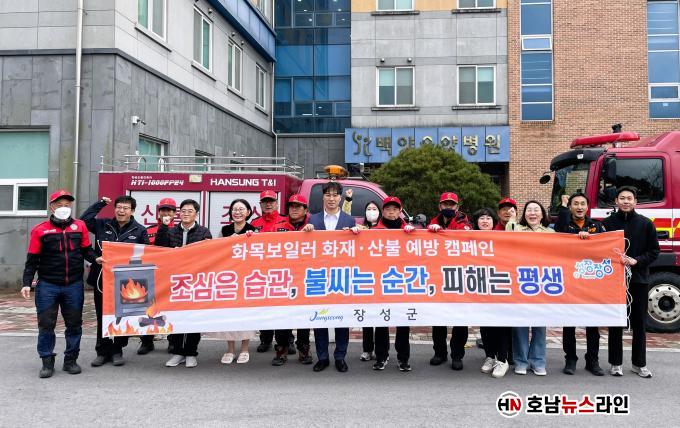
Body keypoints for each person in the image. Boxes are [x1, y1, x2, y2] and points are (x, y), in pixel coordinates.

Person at [21, 190, 97, 378]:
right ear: (52, 207)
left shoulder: (80, 226)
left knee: (74, 324)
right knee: (46, 324)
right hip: (48, 285)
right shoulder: (40, 230)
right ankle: (47, 361)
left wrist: (97, 259)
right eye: (59, 204)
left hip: (73, 285)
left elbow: (87, 250)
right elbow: (32, 259)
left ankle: (71, 360)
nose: (64, 207)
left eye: (67, 204)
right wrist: (26, 283)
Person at [81, 195, 150, 367]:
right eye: (119, 207)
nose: (121, 211)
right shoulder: (103, 224)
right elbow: (84, 221)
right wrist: (100, 204)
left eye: (125, 208)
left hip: (126, 282)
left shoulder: (140, 230)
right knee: (102, 315)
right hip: (102, 278)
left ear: (132, 211)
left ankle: (117, 350)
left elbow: (146, 254)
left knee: (123, 315)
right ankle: (102, 351)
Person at [602, 186, 659, 378]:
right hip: (613, 281)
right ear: (616, 201)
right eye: (622, 198)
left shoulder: (646, 224)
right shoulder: (607, 224)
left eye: (629, 198)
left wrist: (637, 261)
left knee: (639, 323)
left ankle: (639, 364)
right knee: (615, 322)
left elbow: (654, 251)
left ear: (635, 202)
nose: (626, 201)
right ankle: (615, 363)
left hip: (639, 279)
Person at [304, 181, 357, 373]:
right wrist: (306, 232)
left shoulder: (349, 221)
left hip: (341, 276)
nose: (332, 198)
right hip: (319, 276)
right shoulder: (313, 219)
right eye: (328, 195)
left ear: (340, 198)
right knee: (320, 318)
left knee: (342, 319)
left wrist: (356, 234)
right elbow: (304, 246)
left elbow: (356, 248)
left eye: (335, 195)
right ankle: (322, 357)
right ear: (323, 197)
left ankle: (340, 356)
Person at [155, 199, 212, 368]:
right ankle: (178, 352)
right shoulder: (171, 231)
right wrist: (164, 227)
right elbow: (159, 249)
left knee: (193, 318)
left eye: (190, 211)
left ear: (196, 214)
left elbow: (208, 255)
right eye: (183, 211)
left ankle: (191, 353)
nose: (186, 214)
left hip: (195, 281)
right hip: (175, 281)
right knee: (176, 317)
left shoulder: (203, 232)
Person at [555, 192, 606, 376]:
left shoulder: (597, 226)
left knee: (593, 324)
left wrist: (590, 239)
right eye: (575, 204)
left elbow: (604, 248)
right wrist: (562, 207)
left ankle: (593, 360)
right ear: (570, 207)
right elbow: (559, 232)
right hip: (569, 280)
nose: (579, 207)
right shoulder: (564, 225)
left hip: (591, 281)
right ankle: (570, 359)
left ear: (587, 206)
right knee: (569, 323)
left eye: (582, 204)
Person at [506, 200, 554, 376]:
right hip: (521, 280)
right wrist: (512, 219)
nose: (532, 213)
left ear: (542, 214)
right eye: (529, 210)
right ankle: (521, 361)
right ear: (524, 214)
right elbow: (507, 239)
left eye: (536, 210)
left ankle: (538, 361)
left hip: (542, 282)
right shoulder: (517, 228)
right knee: (520, 324)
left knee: (540, 324)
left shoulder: (551, 233)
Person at [427, 192, 472, 370]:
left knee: (460, 319)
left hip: (459, 276)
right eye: (445, 204)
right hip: (438, 276)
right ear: (440, 206)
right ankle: (439, 352)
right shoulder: (432, 222)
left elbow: (463, 238)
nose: (448, 207)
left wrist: (442, 233)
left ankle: (457, 355)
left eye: (451, 204)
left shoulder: (464, 224)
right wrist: (430, 231)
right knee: (438, 318)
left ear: (457, 207)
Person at [269, 194, 315, 366]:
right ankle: (281, 350)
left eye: (298, 206)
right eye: (291, 206)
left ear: (305, 209)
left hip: (305, 278)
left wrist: (313, 232)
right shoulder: (278, 226)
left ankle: (304, 348)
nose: (294, 209)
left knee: (303, 317)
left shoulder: (314, 226)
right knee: (282, 316)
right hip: (284, 278)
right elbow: (265, 246)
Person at [372, 196, 416, 372]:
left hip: (403, 281)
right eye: (388, 209)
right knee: (381, 321)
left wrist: (415, 233)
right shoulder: (374, 231)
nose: (391, 212)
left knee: (403, 322)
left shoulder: (410, 230)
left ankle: (403, 358)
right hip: (382, 281)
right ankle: (381, 356)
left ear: (400, 211)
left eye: (395, 209)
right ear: (383, 211)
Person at [250, 190, 294, 354]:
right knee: (264, 307)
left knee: (284, 309)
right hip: (261, 273)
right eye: (265, 201)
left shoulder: (286, 220)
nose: (268, 204)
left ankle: (289, 340)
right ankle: (266, 339)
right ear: (260, 204)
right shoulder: (254, 223)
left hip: (282, 273)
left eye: (271, 201)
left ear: (276, 203)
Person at [473, 208, 511, 378]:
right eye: (481, 218)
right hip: (480, 286)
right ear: (476, 222)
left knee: (501, 324)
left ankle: (502, 359)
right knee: (485, 324)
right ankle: (490, 356)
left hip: (499, 285)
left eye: (488, 218)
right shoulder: (468, 239)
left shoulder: (502, 237)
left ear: (494, 222)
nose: (485, 221)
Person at [219, 199, 257, 365]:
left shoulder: (253, 230)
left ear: (248, 212)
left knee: (245, 315)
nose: (238, 212)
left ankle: (244, 349)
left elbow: (258, 253)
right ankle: (230, 349)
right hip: (229, 278)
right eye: (235, 209)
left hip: (246, 278)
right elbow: (216, 251)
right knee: (229, 315)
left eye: (241, 209)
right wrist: (228, 242)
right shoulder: (225, 230)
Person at [143, 197, 178, 354]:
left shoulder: (178, 230)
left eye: (169, 210)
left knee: (171, 310)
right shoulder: (148, 230)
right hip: (151, 276)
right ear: (158, 212)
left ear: (174, 213)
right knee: (149, 309)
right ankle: (147, 341)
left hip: (172, 277)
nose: (166, 213)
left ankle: (172, 342)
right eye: (163, 210)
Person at [358, 200, 382, 362]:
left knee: (380, 317)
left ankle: (381, 351)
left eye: (374, 209)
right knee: (366, 317)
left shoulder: (384, 229)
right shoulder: (360, 228)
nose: (371, 211)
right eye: (368, 209)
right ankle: (367, 349)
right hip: (365, 276)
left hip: (382, 277)